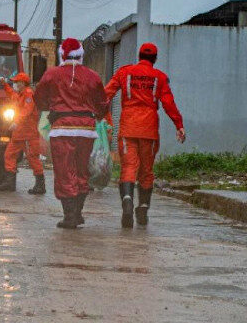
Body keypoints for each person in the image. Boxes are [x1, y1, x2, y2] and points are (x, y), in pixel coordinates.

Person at [104, 42, 185, 228]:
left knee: (128, 167)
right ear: (154, 59)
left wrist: (96, 113)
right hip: (149, 129)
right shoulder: (160, 77)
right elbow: (169, 103)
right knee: (146, 170)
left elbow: (106, 93)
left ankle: (127, 200)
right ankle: (143, 207)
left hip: (128, 127)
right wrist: (179, 125)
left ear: (139, 55)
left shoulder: (124, 72)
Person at [33, 38, 111, 229]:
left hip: (62, 129)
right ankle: (78, 213)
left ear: (62, 54)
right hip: (86, 130)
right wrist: (98, 115)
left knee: (64, 171)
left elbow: (38, 97)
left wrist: (49, 108)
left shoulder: (52, 74)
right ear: (81, 55)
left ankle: (69, 216)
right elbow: (102, 102)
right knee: (82, 170)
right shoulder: (92, 76)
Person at [0, 73, 45, 194]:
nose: (15, 84)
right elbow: (12, 94)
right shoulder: (20, 94)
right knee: (9, 155)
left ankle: (40, 185)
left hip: (28, 134)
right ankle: (10, 183)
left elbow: (27, 111)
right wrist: (4, 85)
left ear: (23, 83)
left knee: (32, 158)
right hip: (19, 133)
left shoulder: (28, 93)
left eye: (17, 82)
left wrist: (16, 122)